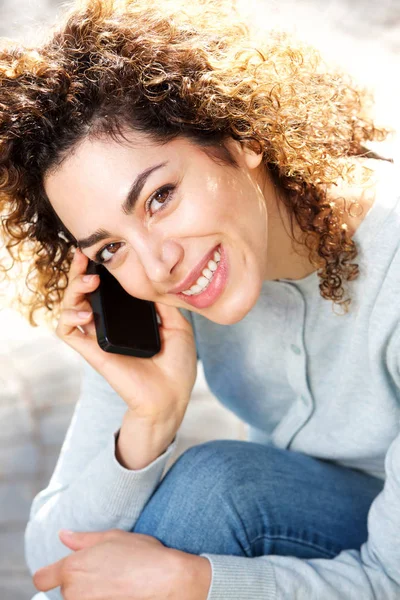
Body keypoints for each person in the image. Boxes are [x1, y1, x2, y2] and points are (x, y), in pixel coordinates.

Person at [0, 0, 398, 598]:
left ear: (239, 139)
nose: (159, 264)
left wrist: (196, 581)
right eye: (109, 247)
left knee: (214, 488)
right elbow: (53, 561)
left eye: (159, 197)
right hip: (311, 519)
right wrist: (149, 418)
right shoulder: (164, 291)